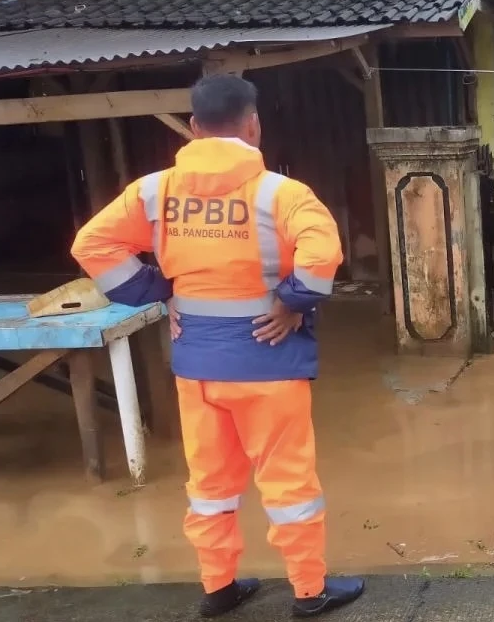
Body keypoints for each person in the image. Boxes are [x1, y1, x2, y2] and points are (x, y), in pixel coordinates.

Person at [71, 74, 363, 619]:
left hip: (196, 366)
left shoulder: (154, 192)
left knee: (209, 484)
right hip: (268, 359)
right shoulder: (282, 193)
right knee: (288, 481)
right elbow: (322, 253)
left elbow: (91, 243)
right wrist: (293, 302)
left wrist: (158, 291)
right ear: (253, 124)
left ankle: (219, 588)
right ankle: (308, 591)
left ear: (192, 128)